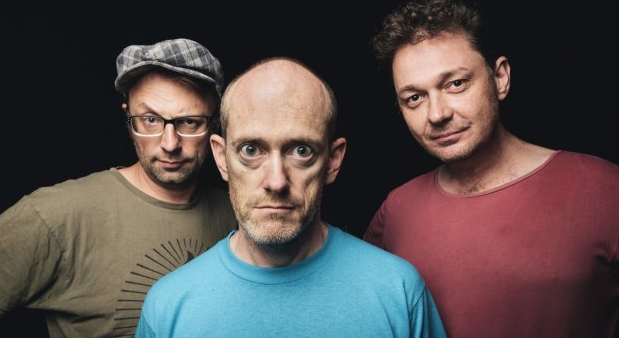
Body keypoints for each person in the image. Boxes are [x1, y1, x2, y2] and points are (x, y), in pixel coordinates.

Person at [363, 0, 619, 338]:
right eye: (414, 98)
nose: (437, 114)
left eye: (455, 84)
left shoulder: (602, 188)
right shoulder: (396, 210)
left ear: (500, 78)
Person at [134, 57, 446, 337]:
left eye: (301, 151)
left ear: (333, 161)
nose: (276, 181)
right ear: (221, 157)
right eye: (251, 150)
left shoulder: (399, 292)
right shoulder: (168, 306)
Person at [0, 38, 238, 337]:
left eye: (189, 122)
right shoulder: (54, 215)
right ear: (127, 116)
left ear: (215, 122)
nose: (169, 144)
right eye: (150, 120)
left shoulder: (239, 215)